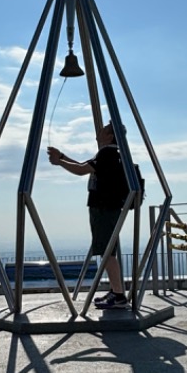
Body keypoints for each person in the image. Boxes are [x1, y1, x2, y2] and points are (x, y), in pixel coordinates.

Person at [47, 121, 129, 309]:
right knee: (108, 251)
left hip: (103, 209)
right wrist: (62, 157)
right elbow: (83, 166)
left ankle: (118, 296)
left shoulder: (107, 154)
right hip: (109, 209)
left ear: (109, 136)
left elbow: (81, 170)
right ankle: (116, 292)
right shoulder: (111, 154)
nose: (98, 132)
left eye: (103, 130)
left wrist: (59, 161)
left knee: (107, 252)